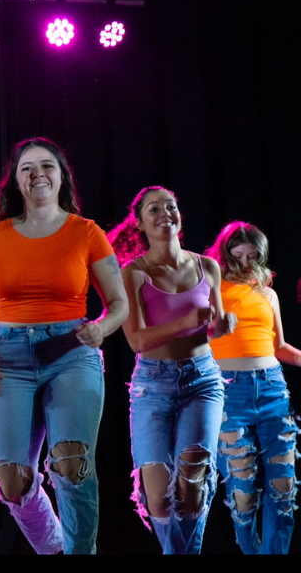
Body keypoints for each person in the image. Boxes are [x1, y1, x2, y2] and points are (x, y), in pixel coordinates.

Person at [0, 138, 128, 554]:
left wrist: (102, 328)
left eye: (47, 166)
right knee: (12, 481)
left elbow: (119, 303)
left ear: (61, 176)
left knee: (71, 465)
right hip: (9, 355)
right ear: (15, 181)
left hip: (71, 350)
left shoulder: (86, 232)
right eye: (27, 168)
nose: (38, 174)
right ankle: (55, 549)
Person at [108, 186, 236, 554]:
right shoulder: (133, 272)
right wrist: (188, 321)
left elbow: (210, 326)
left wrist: (220, 326)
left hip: (203, 382)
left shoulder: (206, 266)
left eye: (171, 207)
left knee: (192, 487)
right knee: (161, 502)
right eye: (154, 209)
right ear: (141, 223)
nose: (165, 213)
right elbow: (136, 340)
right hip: (153, 385)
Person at [206, 222, 301, 554]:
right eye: (238, 255)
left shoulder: (267, 292)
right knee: (243, 493)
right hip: (230, 392)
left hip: (273, 388)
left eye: (252, 255)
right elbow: (196, 338)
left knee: (284, 486)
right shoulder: (211, 287)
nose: (245, 263)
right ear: (225, 253)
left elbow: (279, 347)